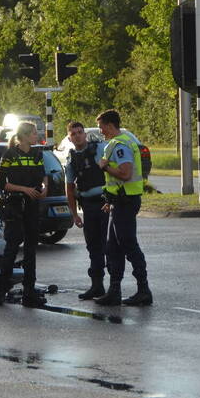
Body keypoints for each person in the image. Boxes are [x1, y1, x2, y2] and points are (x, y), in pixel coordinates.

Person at [94, 109, 152, 306]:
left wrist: (105, 166)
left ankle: (143, 290)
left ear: (110, 125)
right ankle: (114, 291)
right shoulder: (121, 141)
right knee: (113, 247)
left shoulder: (120, 145)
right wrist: (109, 200)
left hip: (126, 202)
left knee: (128, 244)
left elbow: (125, 174)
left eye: (101, 127)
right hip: (118, 201)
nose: (100, 131)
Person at [0, 120, 48, 307]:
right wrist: (24, 189)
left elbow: (43, 175)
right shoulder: (10, 154)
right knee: (12, 247)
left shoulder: (37, 154)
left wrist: (44, 187)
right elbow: (1, 183)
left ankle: (29, 292)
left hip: (32, 206)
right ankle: (1, 291)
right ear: (24, 136)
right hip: (14, 206)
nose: (36, 136)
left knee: (31, 249)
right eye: (33, 133)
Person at [64, 121, 109, 300]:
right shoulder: (72, 159)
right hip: (88, 206)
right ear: (69, 138)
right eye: (73, 134)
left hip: (106, 203)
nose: (77, 136)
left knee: (109, 246)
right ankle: (97, 286)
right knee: (93, 246)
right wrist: (74, 215)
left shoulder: (100, 149)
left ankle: (115, 287)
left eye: (80, 132)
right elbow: (69, 188)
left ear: (85, 134)